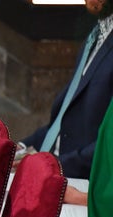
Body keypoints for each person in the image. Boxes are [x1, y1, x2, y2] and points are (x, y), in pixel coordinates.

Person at [16, 0, 113, 181]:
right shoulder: (95, 35)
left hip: (84, 184)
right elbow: (65, 121)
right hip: (57, 169)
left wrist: (54, 165)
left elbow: (108, 146)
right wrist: (22, 148)